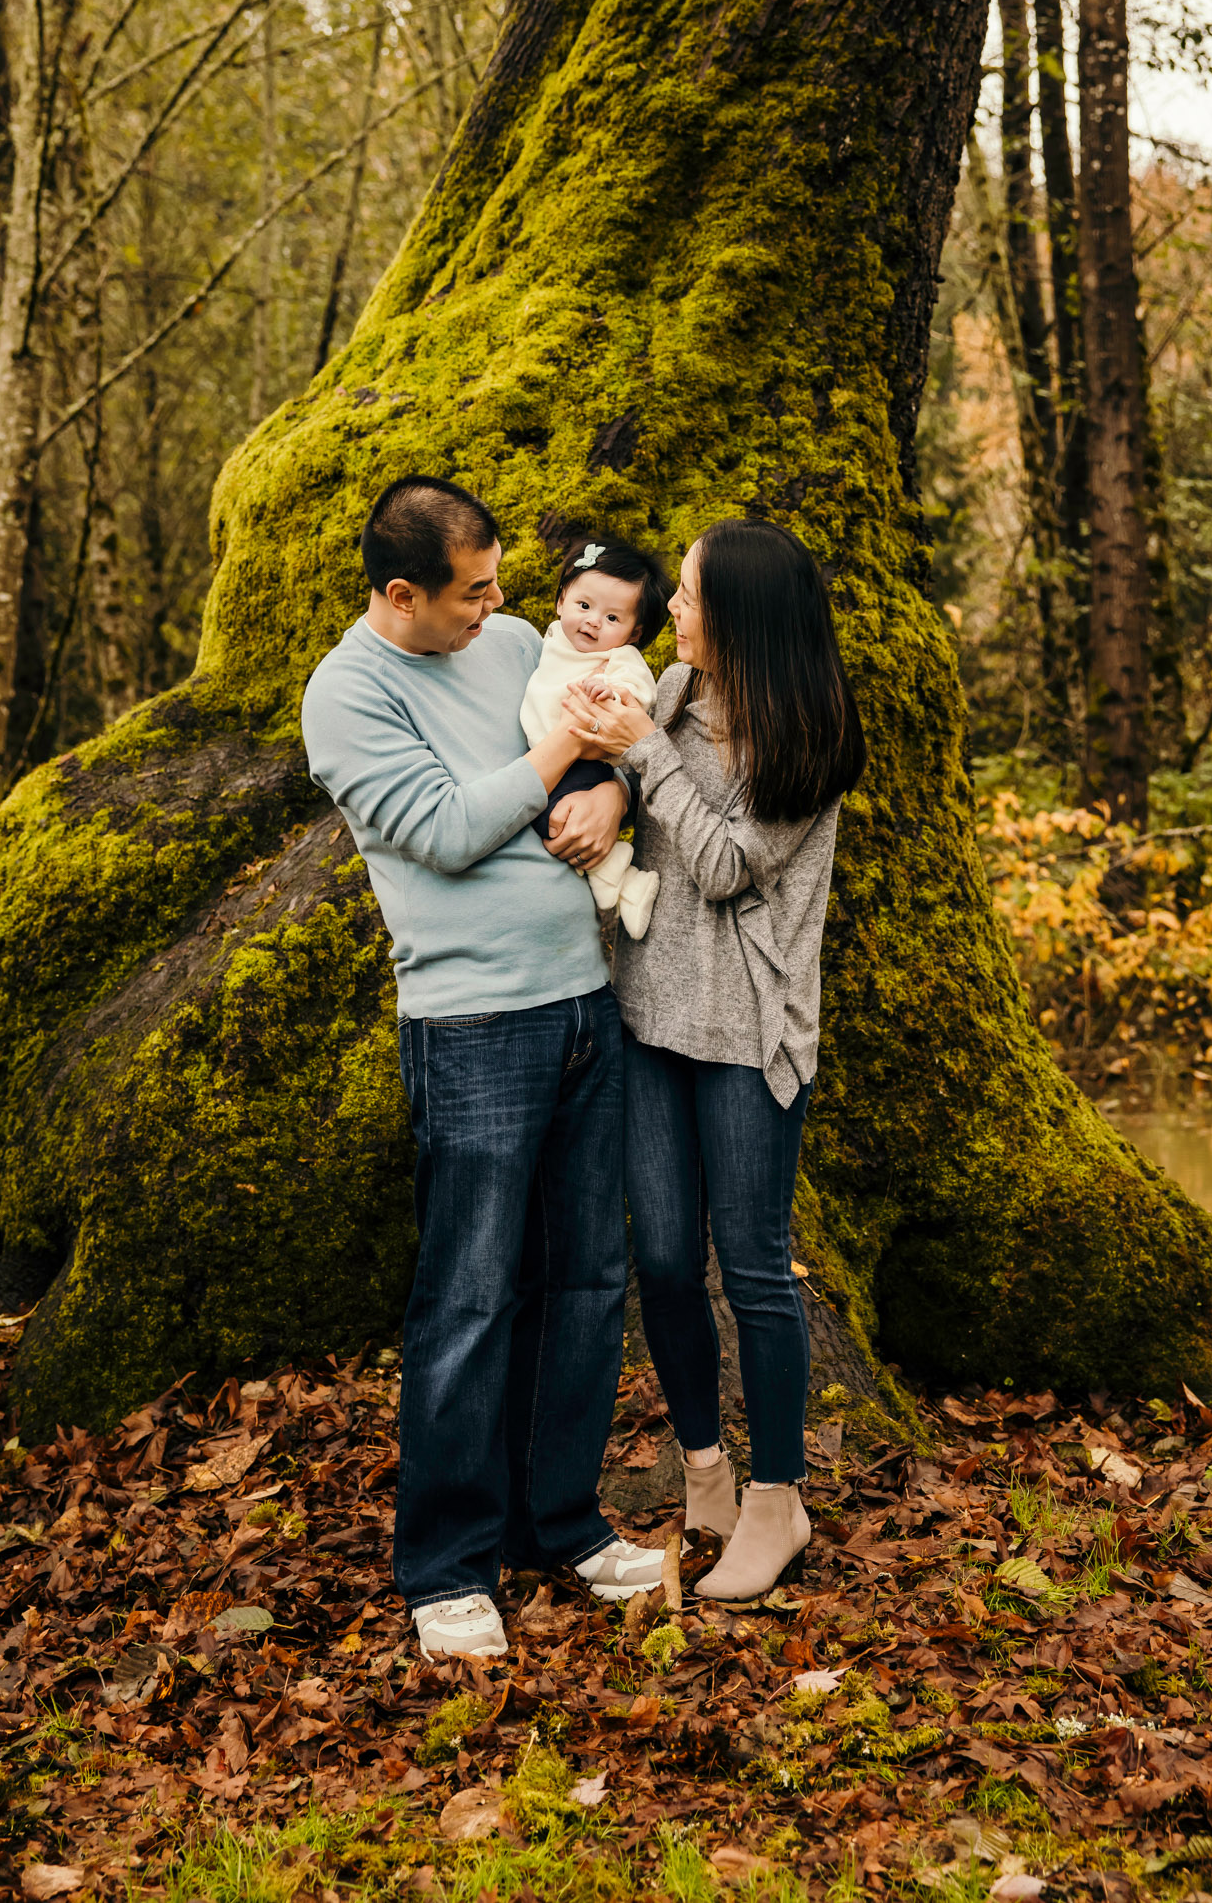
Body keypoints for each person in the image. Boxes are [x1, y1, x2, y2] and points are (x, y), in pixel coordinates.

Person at [300, 475, 666, 1661]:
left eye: (502, 581)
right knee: (467, 1297)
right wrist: (567, 741)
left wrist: (608, 788)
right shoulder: (346, 695)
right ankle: (448, 1568)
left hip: (581, 1005)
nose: (505, 608)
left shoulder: (513, 640)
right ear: (402, 593)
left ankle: (557, 1523)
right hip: (469, 1028)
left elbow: (582, 764)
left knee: (586, 1283)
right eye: (474, 591)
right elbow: (452, 828)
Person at [564, 519, 866, 1603]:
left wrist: (640, 755)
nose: (668, 612)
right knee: (660, 1263)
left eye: (685, 596)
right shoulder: (674, 696)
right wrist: (612, 780)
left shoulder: (809, 738)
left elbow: (729, 864)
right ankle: (704, 1471)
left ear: (737, 615)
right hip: (647, 1017)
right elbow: (626, 796)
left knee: (751, 1266)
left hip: (745, 1036)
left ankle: (778, 1499)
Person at [519, 535, 672, 940]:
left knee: (555, 818)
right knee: (544, 815)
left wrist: (612, 691)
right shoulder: (552, 637)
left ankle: (625, 883)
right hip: (549, 757)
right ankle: (621, 882)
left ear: (634, 632)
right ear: (561, 601)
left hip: (585, 763)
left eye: (612, 619)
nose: (591, 621)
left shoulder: (617, 659)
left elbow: (639, 691)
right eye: (583, 606)